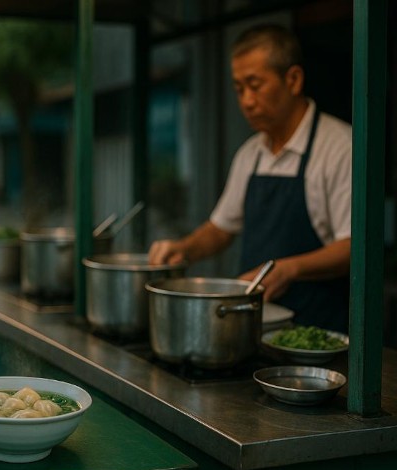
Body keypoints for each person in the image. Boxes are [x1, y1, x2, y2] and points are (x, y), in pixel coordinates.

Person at [148, 24, 352, 334]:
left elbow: (354, 246)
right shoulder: (251, 153)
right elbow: (221, 228)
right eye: (239, 88)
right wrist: (183, 249)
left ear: (293, 79)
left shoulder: (340, 147)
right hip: (253, 332)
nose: (246, 100)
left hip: (321, 334)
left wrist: (289, 268)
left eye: (255, 85)